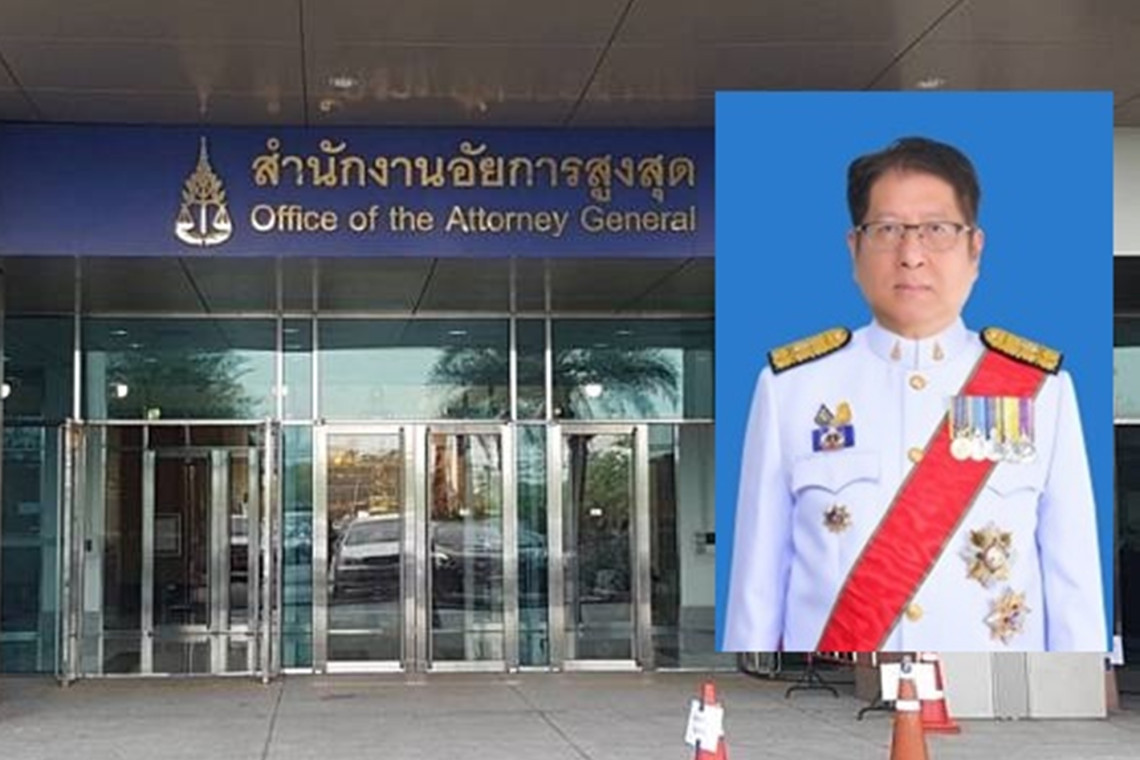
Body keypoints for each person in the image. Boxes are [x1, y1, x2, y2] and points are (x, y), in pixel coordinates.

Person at [722, 137, 1106, 652]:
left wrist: (1081, 683)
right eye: (887, 230)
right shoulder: (791, 387)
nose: (911, 255)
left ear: (975, 248)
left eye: (937, 230)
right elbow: (757, 582)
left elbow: (1072, 573)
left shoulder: (1041, 389)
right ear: (854, 248)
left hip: (994, 693)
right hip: (834, 691)